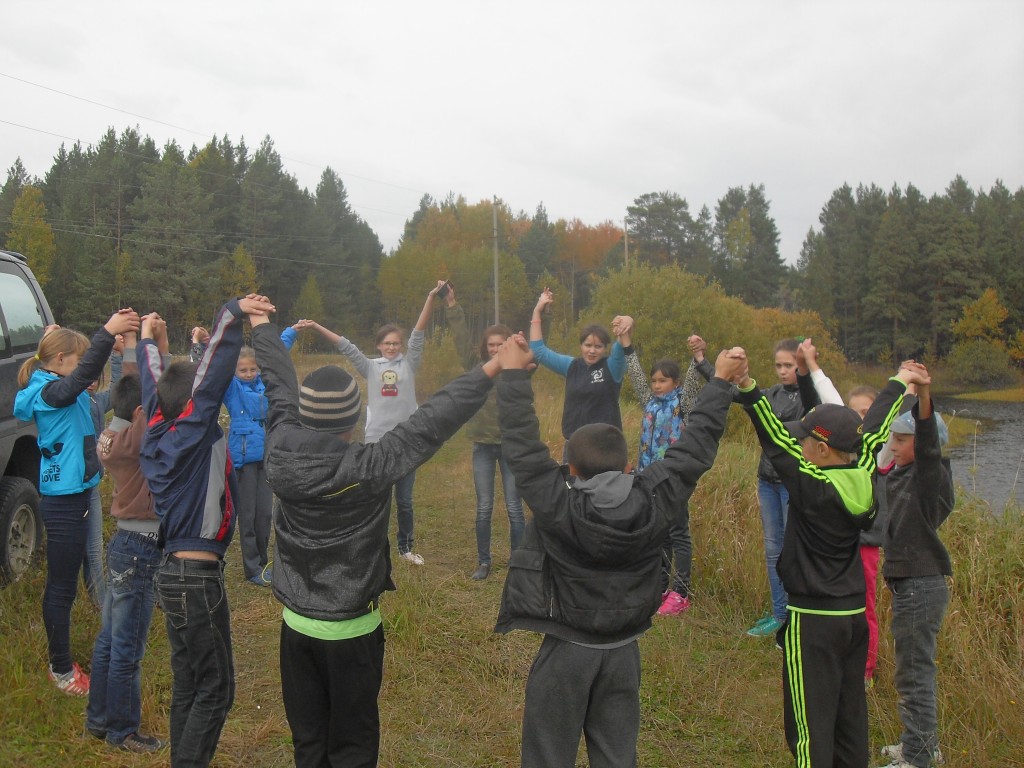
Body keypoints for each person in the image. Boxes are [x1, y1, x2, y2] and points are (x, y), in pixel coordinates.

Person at [247, 299, 505, 768]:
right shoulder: (372, 466)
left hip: (296, 628)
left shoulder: (279, 447)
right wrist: (491, 368)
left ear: (304, 415)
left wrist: (261, 324)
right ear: (354, 420)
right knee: (353, 746)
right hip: (354, 632)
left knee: (308, 741)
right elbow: (432, 421)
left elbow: (279, 385)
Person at [494, 334, 747, 768]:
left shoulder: (559, 505)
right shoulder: (655, 499)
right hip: (623, 653)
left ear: (571, 470)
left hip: (566, 652)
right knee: (617, 757)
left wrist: (513, 376)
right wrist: (720, 382)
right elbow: (694, 450)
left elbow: (522, 447)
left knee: (547, 756)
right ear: (628, 467)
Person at [735, 357, 927, 767]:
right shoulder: (863, 468)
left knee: (809, 729)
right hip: (853, 617)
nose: (800, 444)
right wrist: (900, 380)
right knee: (849, 716)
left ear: (821, 449)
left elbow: (774, 440)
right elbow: (875, 427)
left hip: (812, 620)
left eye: (806, 440)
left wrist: (748, 386)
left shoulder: (812, 483)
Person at [138, 294, 275, 768]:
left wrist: (149, 341)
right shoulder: (193, 433)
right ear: (192, 407)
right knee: (217, 690)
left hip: (173, 575)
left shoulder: (157, 432)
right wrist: (232, 313)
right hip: (196, 580)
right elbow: (213, 374)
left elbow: (153, 387)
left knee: (190, 685)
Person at [14, 308, 140, 696]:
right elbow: (80, 378)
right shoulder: (49, 393)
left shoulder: (60, 387)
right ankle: (61, 670)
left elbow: (104, 387)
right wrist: (106, 331)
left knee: (65, 585)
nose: (85, 371)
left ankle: (63, 660)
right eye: (79, 359)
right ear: (60, 360)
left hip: (78, 494)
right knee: (62, 588)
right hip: (64, 502)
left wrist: (123, 349)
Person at [690, 334, 817, 637]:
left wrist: (808, 368)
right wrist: (702, 361)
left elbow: (814, 416)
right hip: (768, 481)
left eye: (789, 365)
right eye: (778, 365)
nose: (783, 371)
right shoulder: (771, 394)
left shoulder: (810, 397)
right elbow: (733, 390)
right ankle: (779, 613)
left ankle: (797, 618)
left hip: (794, 484)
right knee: (773, 550)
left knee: (793, 551)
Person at [85, 321, 170, 753]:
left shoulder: (113, 434)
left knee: (109, 638)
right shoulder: (137, 438)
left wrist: (137, 344)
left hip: (123, 546)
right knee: (128, 648)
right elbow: (150, 393)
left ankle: (99, 720)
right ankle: (123, 731)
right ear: (141, 414)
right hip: (139, 550)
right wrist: (151, 342)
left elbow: (135, 387)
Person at [795, 338, 892, 689]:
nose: (861, 420)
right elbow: (831, 402)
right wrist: (811, 365)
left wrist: (907, 387)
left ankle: (865, 669)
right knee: (844, 602)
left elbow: (881, 417)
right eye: (856, 414)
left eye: (867, 413)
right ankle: (836, 657)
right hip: (843, 541)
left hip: (866, 542)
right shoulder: (843, 443)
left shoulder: (879, 449)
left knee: (865, 604)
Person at [331, 283, 446, 565]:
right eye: (387, 343)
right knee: (376, 498)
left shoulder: (409, 364)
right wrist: (315, 326)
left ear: (401, 346)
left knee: (404, 500)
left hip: (407, 442)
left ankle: (405, 549)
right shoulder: (371, 367)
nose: (392, 347)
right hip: (377, 444)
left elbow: (418, 332)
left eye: (396, 343)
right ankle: (370, 546)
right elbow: (347, 347)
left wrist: (430, 297)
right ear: (379, 346)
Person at [877, 375, 953, 768]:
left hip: (921, 586)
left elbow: (926, 441)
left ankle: (919, 756)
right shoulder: (900, 473)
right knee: (910, 669)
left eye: (902, 439)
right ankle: (919, 743)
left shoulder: (929, 478)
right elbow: (877, 455)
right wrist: (904, 395)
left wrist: (923, 395)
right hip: (910, 585)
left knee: (914, 674)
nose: (894, 444)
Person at [191, 324, 301, 586]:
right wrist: (201, 344)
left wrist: (292, 331)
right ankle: (252, 567)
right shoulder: (231, 388)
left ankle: (263, 562)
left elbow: (275, 354)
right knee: (248, 517)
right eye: (243, 370)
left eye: (253, 369)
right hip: (243, 462)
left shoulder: (264, 383)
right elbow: (210, 366)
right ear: (235, 371)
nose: (249, 374)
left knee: (265, 515)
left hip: (267, 457)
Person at [615, 315, 704, 616]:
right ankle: (661, 586)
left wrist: (696, 355)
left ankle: (681, 591)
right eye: (654, 380)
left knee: (678, 533)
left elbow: (693, 380)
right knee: (658, 534)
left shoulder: (683, 404)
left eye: (663, 380)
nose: (656, 385)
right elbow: (636, 374)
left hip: (674, 480)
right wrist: (626, 343)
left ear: (675, 383)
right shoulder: (649, 401)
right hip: (648, 479)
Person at [443, 285, 526, 579]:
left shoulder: (518, 368)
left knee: (515, 508)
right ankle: (484, 562)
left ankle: (518, 562)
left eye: (500, 343)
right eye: (490, 344)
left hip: (511, 446)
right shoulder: (477, 369)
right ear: (485, 347)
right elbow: (461, 339)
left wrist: (544, 315)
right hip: (482, 446)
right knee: (484, 507)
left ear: (508, 345)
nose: (495, 348)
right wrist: (452, 304)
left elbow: (538, 353)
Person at [528, 287, 626, 453]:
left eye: (598, 346)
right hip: (574, 444)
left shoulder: (612, 368)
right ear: (581, 346)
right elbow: (539, 351)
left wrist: (625, 323)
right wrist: (537, 311)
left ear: (605, 348)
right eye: (588, 345)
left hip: (605, 446)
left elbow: (621, 346)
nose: (592, 351)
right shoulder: (572, 366)